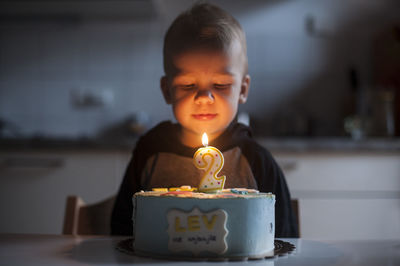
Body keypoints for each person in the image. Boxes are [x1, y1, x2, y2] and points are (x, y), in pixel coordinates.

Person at [111, 2, 298, 238]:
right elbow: (121, 231)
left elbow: (283, 238)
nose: (204, 98)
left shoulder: (257, 161)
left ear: (242, 89)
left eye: (220, 85)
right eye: (188, 85)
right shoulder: (150, 152)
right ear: (167, 90)